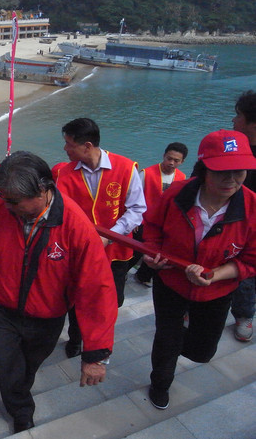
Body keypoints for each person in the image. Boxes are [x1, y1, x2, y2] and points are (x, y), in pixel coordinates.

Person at [0, 151, 117, 433]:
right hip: (1, 307)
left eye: (14, 201)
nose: (7, 206)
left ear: (43, 189)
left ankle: (18, 391)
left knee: (28, 367)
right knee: (1, 366)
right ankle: (22, 410)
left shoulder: (76, 226)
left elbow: (97, 290)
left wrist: (95, 354)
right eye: (5, 199)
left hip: (46, 317)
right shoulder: (0, 208)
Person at [142, 129, 256, 410]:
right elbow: (152, 226)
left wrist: (215, 275)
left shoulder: (252, 207)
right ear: (204, 169)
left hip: (216, 290)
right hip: (171, 282)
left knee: (203, 352)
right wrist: (151, 254)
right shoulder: (178, 194)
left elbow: (251, 260)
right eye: (222, 172)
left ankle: (178, 340)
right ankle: (160, 384)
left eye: (239, 171)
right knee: (166, 340)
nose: (231, 180)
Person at [56, 117, 146, 358]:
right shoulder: (65, 174)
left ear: (87, 146)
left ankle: (98, 342)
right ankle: (76, 339)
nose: (65, 149)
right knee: (79, 299)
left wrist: (111, 236)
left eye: (69, 144)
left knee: (112, 301)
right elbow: (63, 214)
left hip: (116, 253)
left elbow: (137, 209)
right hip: (81, 253)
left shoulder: (125, 167)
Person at [133, 142, 188, 286]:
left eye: (176, 160)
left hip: (166, 223)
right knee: (137, 250)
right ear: (164, 156)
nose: (171, 163)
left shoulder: (182, 177)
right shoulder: (146, 173)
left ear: (182, 162)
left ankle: (143, 276)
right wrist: (135, 220)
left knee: (159, 252)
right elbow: (134, 197)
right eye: (169, 158)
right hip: (144, 220)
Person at [230, 90, 256, 342]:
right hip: (223, 222)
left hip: (251, 228)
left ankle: (244, 314)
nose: (233, 120)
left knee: (247, 275)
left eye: (238, 116)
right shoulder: (229, 148)